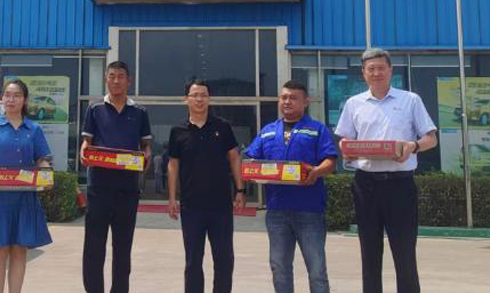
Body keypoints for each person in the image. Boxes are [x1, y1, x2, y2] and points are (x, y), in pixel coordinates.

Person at [335, 48, 438, 293]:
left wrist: (413, 146)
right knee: (369, 251)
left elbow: (431, 138)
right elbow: (344, 139)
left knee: (404, 251)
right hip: (366, 185)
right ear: (363, 73)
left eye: (381, 68)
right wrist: (345, 149)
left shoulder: (410, 100)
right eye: (371, 69)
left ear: (390, 71)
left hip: (400, 185)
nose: (376, 73)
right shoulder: (354, 104)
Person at [245, 80, 338, 293]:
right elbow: (251, 158)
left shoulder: (317, 130)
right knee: (279, 268)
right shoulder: (268, 131)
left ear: (305, 102)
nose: (287, 102)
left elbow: (330, 161)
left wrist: (316, 172)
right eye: (284, 97)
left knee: (317, 270)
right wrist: (249, 171)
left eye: (293, 98)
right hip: (277, 211)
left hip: (309, 210)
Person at [0, 79, 53, 293]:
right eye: (7, 95)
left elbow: (42, 159)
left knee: (19, 251)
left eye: (16, 95)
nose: (11, 99)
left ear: (25, 100)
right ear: (1, 99)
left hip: (24, 199)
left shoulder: (34, 129)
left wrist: (46, 174)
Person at [80, 60, 151, 293]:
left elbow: (146, 145)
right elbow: (87, 141)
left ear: (129, 81)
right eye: (112, 76)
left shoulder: (140, 112)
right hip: (99, 188)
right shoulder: (94, 108)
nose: (116, 80)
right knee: (94, 248)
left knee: (123, 249)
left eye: (121, 76)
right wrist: (83, 150)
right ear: (106, 80)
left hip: (128, 189)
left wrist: (147, 156)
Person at [167, 80, 245, 293]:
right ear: (186, 99)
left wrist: (240, 190)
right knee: (193, 261)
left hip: (221, 206)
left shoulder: (223, 127)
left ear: (209, 99)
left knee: (224, 260)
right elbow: (173, 165)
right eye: (195, 95)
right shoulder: (177, 131)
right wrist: (172, 198)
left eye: (203, 95)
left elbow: (234, 157)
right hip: (191, 206)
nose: (199, 99)